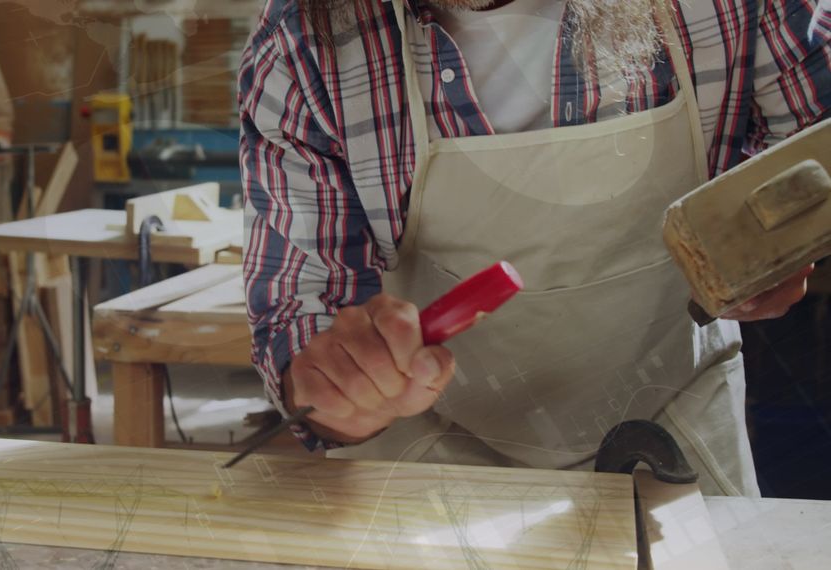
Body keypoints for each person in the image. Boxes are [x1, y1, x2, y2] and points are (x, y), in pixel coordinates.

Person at [238, 0, 830, 497]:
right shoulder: (304, 39)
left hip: (676, 432)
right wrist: (336, 390)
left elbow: (815, 143)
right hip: (431, 456)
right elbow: (302, 311)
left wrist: (778, 239)